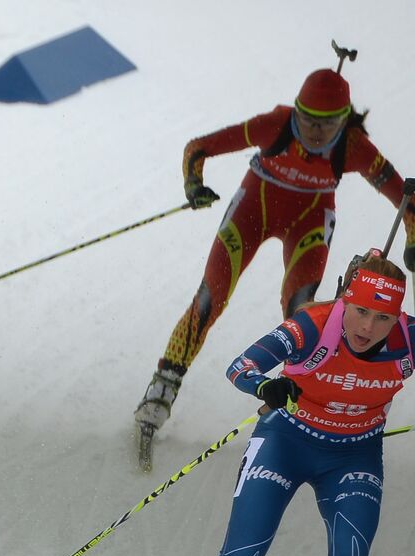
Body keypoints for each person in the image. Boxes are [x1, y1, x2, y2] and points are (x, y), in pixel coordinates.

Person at [127, 249, 412, 556]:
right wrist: (265, 387)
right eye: (361, 311)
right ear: (346, 299)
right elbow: (239, 367)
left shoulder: (408, 338)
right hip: (285, 443)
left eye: (383, 317)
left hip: (353, 458)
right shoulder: (312, 326)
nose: (368, 327)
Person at [135, 67, 415, 446]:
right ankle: (162, 388)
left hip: (309, 223)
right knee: (209, 298)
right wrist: (193, 185)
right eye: (307, 119)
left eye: (327, 123)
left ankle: (298, 402)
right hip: (252, 211)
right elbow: (198, 147)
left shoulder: (352, 146)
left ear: (344, 121)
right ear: (296, 111)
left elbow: (406, 199)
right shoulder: (276, 124)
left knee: (302, 314)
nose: (315, 131)